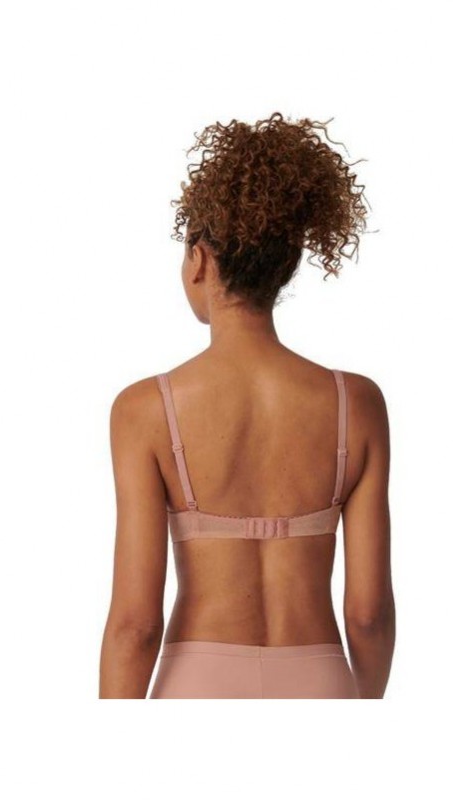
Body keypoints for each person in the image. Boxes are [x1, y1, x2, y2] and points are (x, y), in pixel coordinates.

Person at [99, 112, 395, 699]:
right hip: (320, 680)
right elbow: (368, 615)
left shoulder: (144, 409)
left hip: (197, 684)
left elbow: (135, 625)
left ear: (199, 260)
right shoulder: (356, 404)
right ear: (284, 264)